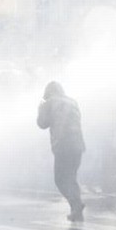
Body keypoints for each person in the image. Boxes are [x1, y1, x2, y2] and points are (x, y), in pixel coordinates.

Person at [37, 82, 86, 221]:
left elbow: (42, 123)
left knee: (60, 179)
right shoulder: (72, 102)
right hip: (78, 145)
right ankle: (76, 212)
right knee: (71, 178)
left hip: (62, 145)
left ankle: (76, 204)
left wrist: (40, 107)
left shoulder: (49, 103)